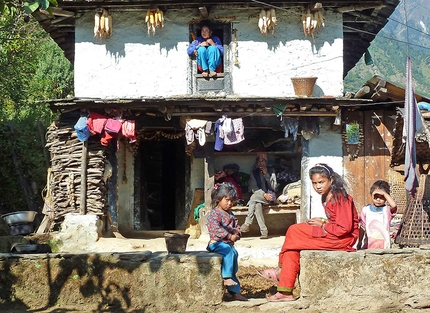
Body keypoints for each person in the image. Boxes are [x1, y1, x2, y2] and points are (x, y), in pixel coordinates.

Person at [258, 163, 359, 302]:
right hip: (333, 235)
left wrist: (323, 224)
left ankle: (280, 270)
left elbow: (344, 229)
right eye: (315, 183)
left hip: (342, 240)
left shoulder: (339, 197)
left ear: (331, 180)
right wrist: (323, 220)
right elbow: (335, 222)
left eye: (321, 182)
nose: (318, 186)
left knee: (294, 230)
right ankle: (285, 292)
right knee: (291, 251)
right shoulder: (326, 196)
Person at [206, 182, 248, 301]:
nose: (230, 203)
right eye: (227, 200)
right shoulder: (214, 214)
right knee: (228, 251)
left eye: (232, 201)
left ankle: (235, 292)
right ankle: (226, 277)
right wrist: (229, 235)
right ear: (219, 199)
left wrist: (237, 233)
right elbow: (215, 229)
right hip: (216, 244)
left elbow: (236, 226)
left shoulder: (230, 214)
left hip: (227, 244)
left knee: (234, 254)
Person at [240, 152, 277, 239]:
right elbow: (254, 189)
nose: (261, 163)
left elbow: (274, 187)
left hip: (270, 197)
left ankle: (247, 223)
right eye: (259, 161)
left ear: (266, 162)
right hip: (259, 197)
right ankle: (264, 232)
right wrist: (264, 194)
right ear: (256, 163)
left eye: (263, 161)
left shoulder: (271, 171)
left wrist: (266, 175)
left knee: (253, 198)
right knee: (257, 205)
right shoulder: (254, 173)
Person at [357, 180, 397, 249]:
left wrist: (384, 193)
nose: (378, 199)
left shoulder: (387, 210)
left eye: (382, 197)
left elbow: (394, 205)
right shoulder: (366, 210)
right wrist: (359, 242)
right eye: (376, 196)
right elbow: (362, 227)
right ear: (372, 195)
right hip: (369, 245)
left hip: (384, 246)